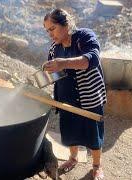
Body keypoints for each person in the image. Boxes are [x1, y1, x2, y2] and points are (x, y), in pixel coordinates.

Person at [42, 8, 107, 180]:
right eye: (47, 30)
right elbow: (56, 74)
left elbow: (92, 59)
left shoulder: (84, 36)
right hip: (67, 96)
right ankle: (73, 158)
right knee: (70, 131)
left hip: (89, 95)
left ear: (66, 24)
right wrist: (41, 78)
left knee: (93, 132)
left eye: (52, 28)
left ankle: (97, 165)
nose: (50, 34)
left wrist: (63, 63)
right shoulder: (54, 49)